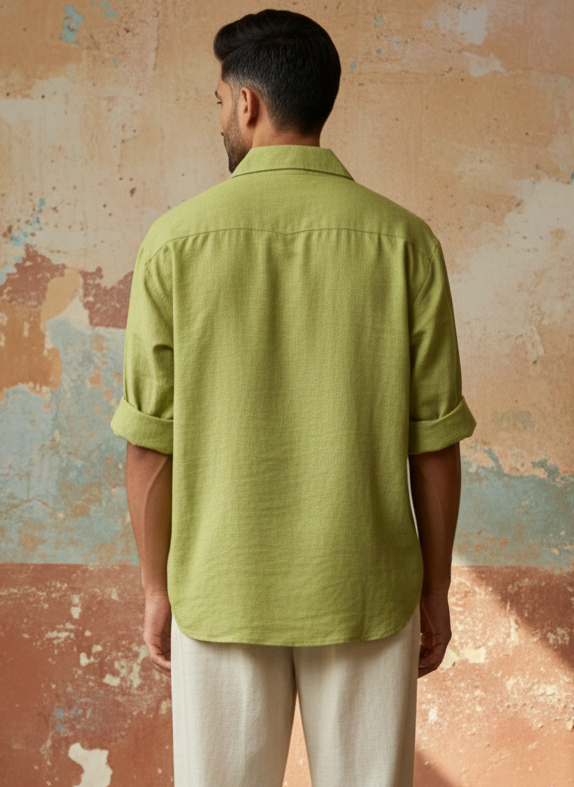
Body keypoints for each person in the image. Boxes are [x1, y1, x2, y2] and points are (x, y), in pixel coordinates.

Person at [110, 8, 477, 787]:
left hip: (219, 587)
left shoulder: (174, 241)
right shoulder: (404, 241)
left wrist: (155, 588)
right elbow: (434, 444)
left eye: (219, 101)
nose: (220, 116)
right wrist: (435, 590)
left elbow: (149, 445)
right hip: (365, 586)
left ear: (247, 103)